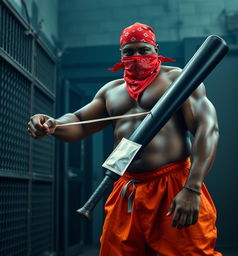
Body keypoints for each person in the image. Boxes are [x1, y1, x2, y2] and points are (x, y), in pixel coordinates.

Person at [28, 22, 222, 256]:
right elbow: (78, 121)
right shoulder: (111, 90)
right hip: (127, 187)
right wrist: (52, 124)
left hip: (172, 183)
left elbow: (208, 129)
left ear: (156, 49)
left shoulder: (179, 79)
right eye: (129, 52)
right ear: (121, 54)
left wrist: (192, 188)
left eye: (144, 49)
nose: (137, 56)